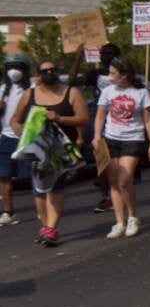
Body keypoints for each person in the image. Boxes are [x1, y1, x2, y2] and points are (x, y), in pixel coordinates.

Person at [11, 59, 89, 247]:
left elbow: (84, 119)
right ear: (38, 74)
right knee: (39, 191)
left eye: (52, 70)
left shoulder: (71, 93)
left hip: (60, 152)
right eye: (44, 71)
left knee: (55, 188)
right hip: (36, 151)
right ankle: (45, 226)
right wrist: (20, 131)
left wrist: (60, 118)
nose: (49, 73)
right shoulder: (29, 94)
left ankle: (52, 228)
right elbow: (15, 119)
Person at [93, 57, 150, 238]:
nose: (110, 76)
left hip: (133, 139)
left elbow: (148, 119)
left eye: (113, 73)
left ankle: (133, 217)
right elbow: (99, 115)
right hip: (111, 139)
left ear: (124, 74)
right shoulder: (107, 91)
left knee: (124, 180)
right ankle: (119, 222)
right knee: (113, 182)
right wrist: (97, 136)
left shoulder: (140, 92)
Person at [86, 42, 121, 213]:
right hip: (101, 118)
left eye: (109, 53)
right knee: (102, 159)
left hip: (120, 119)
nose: (104, 56)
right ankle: (105, 196)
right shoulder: (95, 74)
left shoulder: (123, 74)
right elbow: (72, 81)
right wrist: (78, 56)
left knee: (118, 161)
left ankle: (119, 191)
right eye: (102, 53)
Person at [0, 54, 33, 225]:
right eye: (10, 67)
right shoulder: (3, 89)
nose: (14, 71)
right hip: (6, 137)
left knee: (33, 174)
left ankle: (42, 207)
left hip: (27, 137)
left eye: (17, 67)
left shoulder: (33, 87)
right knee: (4, 176)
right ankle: (8, 212)